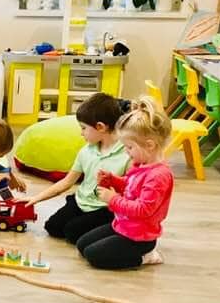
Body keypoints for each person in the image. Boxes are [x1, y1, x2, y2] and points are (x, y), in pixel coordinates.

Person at [75, 96, 173, 270]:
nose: (127, 152)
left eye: (129, 147)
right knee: (82, 245)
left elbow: (143, 209)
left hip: (139, 237)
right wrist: (113, 180)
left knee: (93, 256)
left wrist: (113, 199)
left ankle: (145, 256)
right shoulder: (140, 164)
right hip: (123, 226)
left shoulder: (159, 176)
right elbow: (130, 185)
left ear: (149, 145)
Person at [26, 93, 130, 243]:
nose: (81, 133)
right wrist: (35, 199)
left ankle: (111, 226)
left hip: (104, 208)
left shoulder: (127, 153)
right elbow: (67, 182)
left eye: (83, 128)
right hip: (81, 201)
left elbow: (131, 190)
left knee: (72, 232)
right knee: (53, 227)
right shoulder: (86, 151)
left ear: (100, 127)